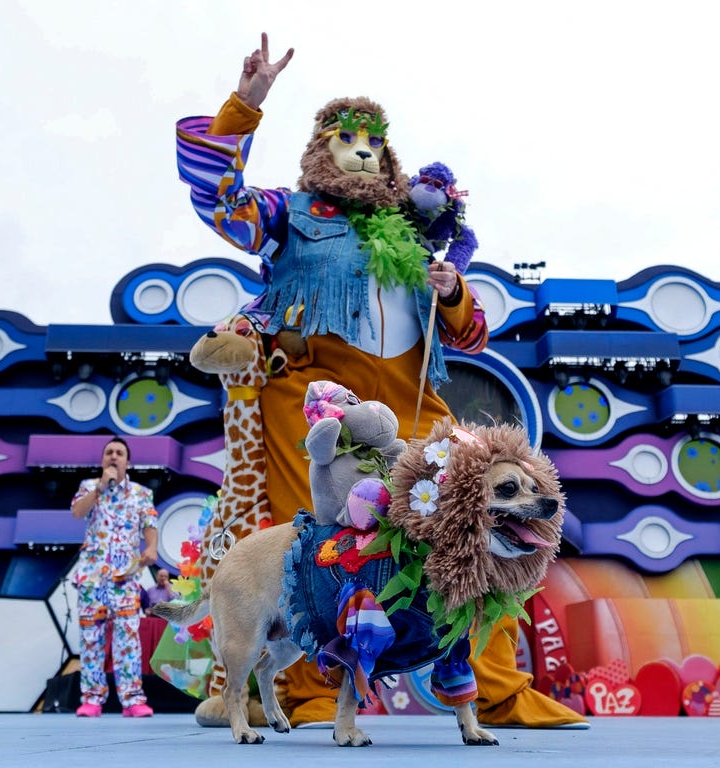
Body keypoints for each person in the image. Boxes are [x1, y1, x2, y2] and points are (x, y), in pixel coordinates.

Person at [175, 34, 586, 729]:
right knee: (312, 544)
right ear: (318, 153)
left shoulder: (416, 232)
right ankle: (303, 694)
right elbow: (218, 201)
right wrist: (245, 107)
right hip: (316, 402)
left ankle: (495, 692)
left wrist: (454, 289)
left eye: (373, 140)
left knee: (478, 529)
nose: (361, 149)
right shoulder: (291, 214)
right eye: (344, 138)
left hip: (415, 398)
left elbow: (469, 336)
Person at [70, 436, 158, 718]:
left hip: (125, 578)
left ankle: (132, 699)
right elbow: (77, 513)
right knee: (91, 638)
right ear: (102, 461)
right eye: (109, 452)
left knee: (128, 639)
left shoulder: (141, 494)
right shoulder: (88, 488)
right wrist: (98, 487)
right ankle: (92, 698)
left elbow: (150, 525)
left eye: (119, 453)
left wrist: (152, 549)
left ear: (127, 462)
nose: (113, 456)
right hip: (92, 578)